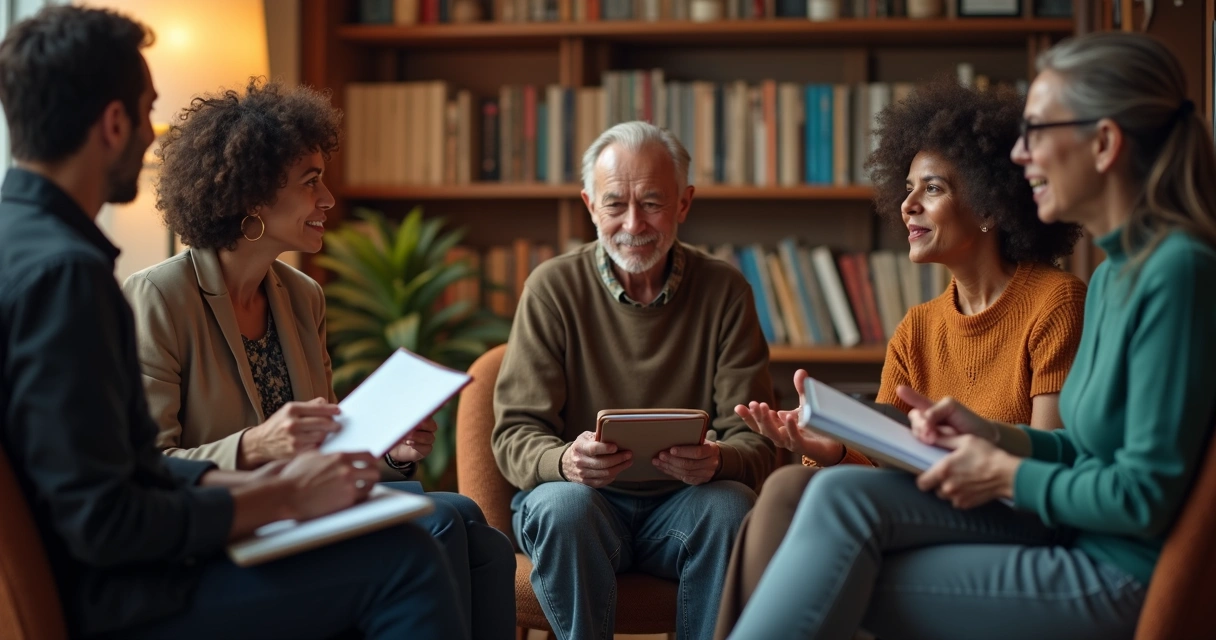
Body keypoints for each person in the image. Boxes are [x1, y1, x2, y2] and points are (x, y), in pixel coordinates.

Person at [728, 31, 1216, 640]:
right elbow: (1082, 451)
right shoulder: (1119, 270)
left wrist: (1002, 472)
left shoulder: (1174, 273)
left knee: (832, 541)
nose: (1020, 156)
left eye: (1038, 132)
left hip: (1111, 569)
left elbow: (1141, 495)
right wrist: (985, 432)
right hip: (1071, 532)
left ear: (1104, 143)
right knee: (824, 504)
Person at [0, 6, 467, 640]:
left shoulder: (21, 247)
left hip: (119, 566)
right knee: (406, 560)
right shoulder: (68, 276)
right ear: (113, 123)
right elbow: (104, 520)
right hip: (118, 595)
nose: (152, 136)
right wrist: (280, 496)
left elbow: (118, 470)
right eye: (145, 113)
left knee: (444, 528)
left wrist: (280, 484)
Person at [121, 79, 514, 639]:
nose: (328, 199)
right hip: (231, 528)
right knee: (443, 521)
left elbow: (328, 447)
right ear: (252, 197)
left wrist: (392, 453)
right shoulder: (159, 297)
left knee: (479, 532)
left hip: (306, 510)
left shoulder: (301, 296)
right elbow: (152, 464)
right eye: (311, 183)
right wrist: (254, 447)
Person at [714, 77, 1088, 638]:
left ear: (989, 203)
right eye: (907, 188)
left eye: (932, 188)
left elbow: (1048, 462)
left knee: (791, 493)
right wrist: (832, 447)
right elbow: (881, 463)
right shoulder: (918, 327)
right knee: (788, 485)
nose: (907, 205)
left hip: (1015, 508)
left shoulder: (1054, 301)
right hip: (929, 503)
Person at [492, 120, 777, 640]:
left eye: (652, 202)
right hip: (584, 507)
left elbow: (757, 440)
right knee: (564, 505)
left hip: (685, 511)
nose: (632, 223)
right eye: (614, 204)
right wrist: (564, 460)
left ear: (684, 204)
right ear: (588, 205)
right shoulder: (552, 288)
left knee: (732, 505)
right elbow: (513, 435)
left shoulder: (726, 290)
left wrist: (720, 459)